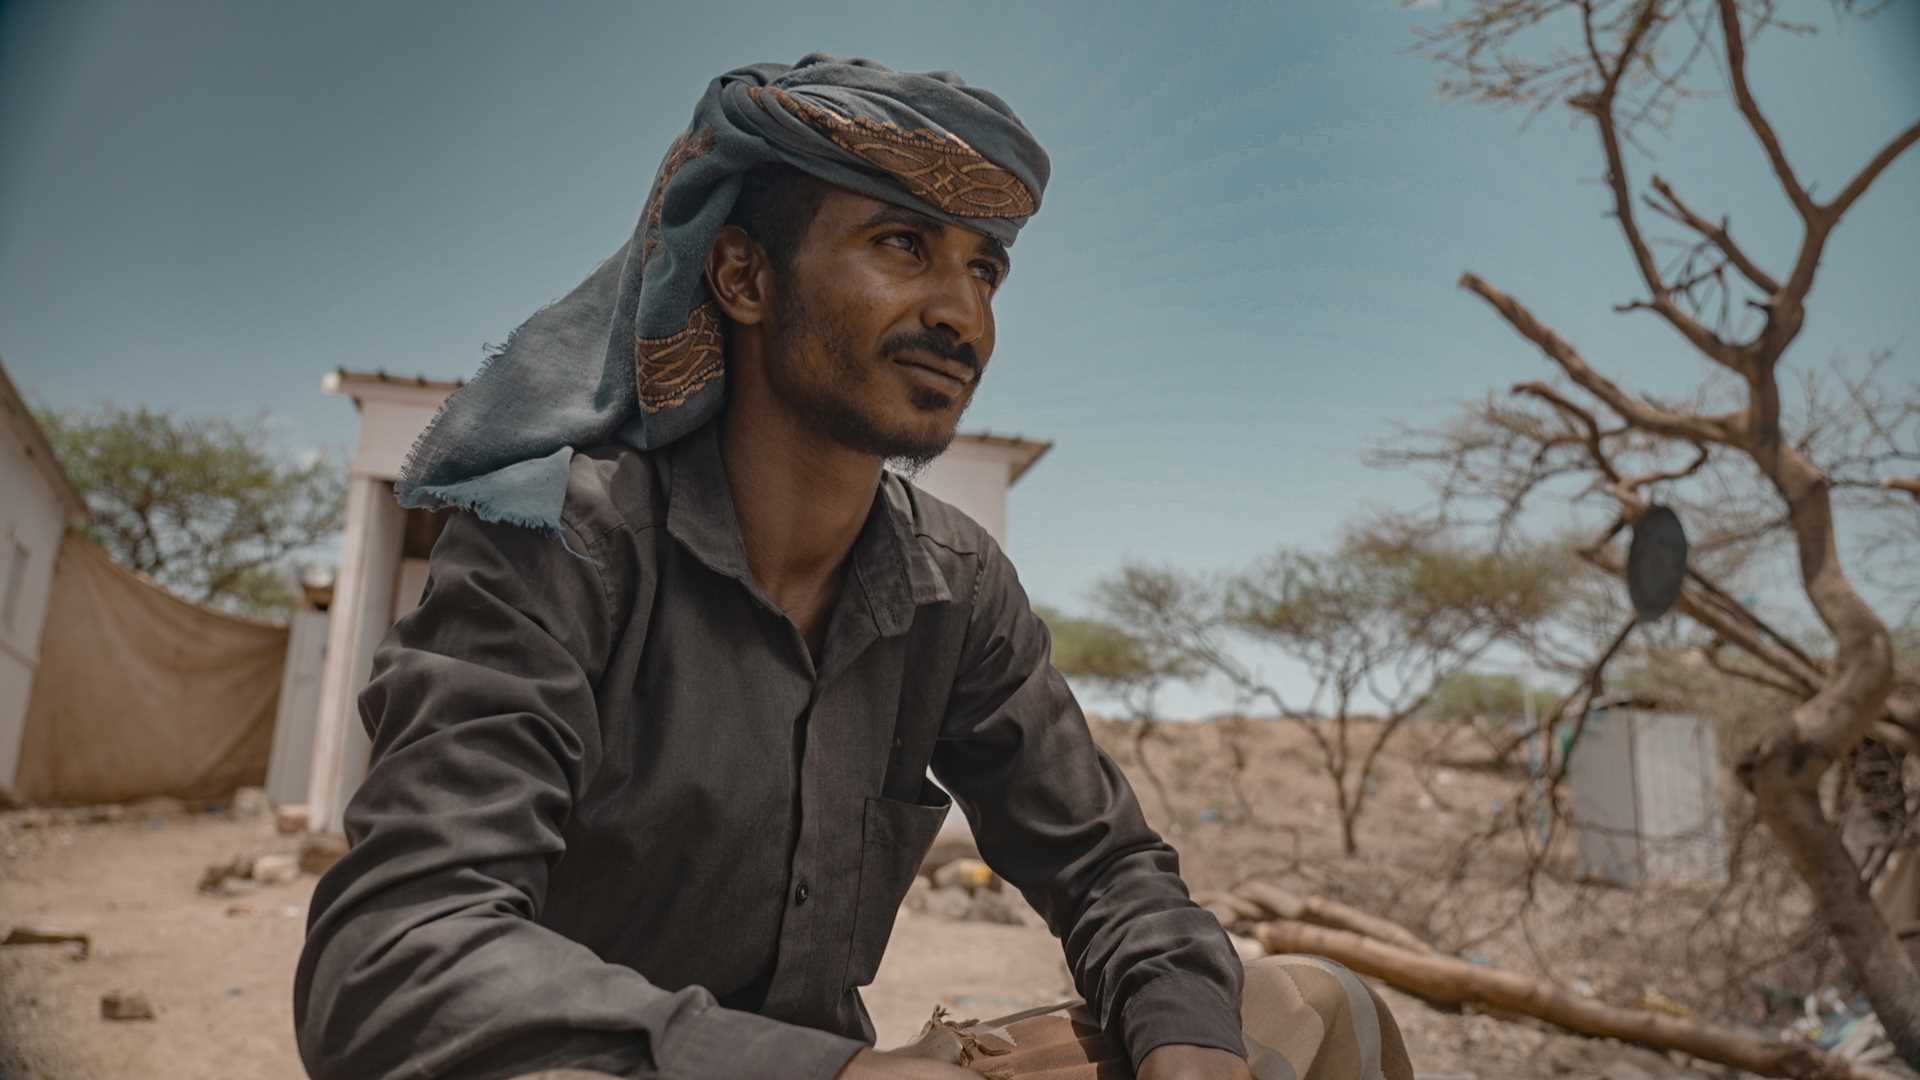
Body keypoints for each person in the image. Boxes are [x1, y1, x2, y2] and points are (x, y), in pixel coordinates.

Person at [293, 55, 1410, 1080]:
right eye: (901, 247)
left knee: (1316, 1012)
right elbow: (393, 958)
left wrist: (1186, 1045)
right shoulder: (563, 542)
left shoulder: (955, 586)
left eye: (986, 271)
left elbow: (1113, 872)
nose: (960, 314)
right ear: (742, 275)